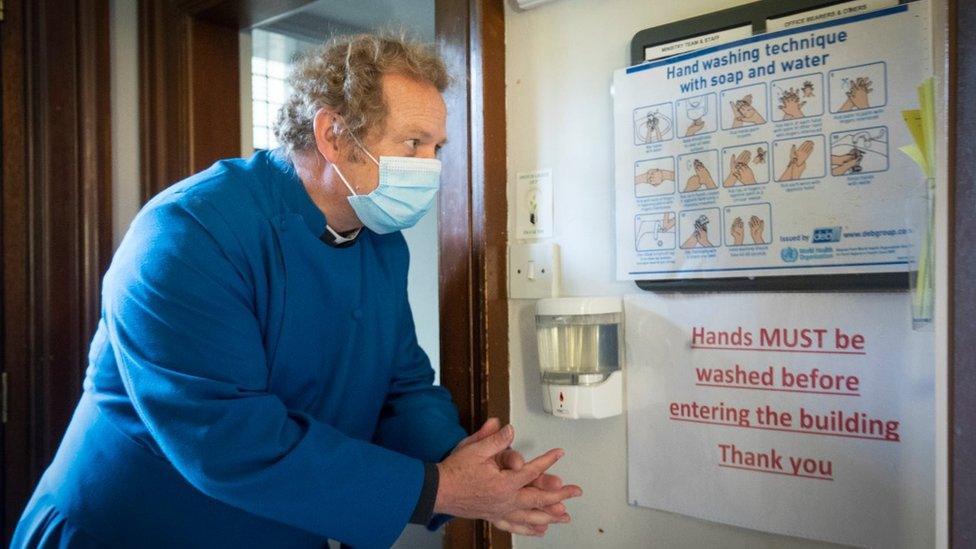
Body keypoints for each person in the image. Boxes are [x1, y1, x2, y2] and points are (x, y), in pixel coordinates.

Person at [12, 33, 581, 548]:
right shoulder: (190, 232)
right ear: (334, 135)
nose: (429, 166)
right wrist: (439, 490)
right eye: (412, 143)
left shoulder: (379, 241)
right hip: (132, 529)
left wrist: (467, 467)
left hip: (283, 526)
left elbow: (401, 386)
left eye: (438, 148)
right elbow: (225, 437)